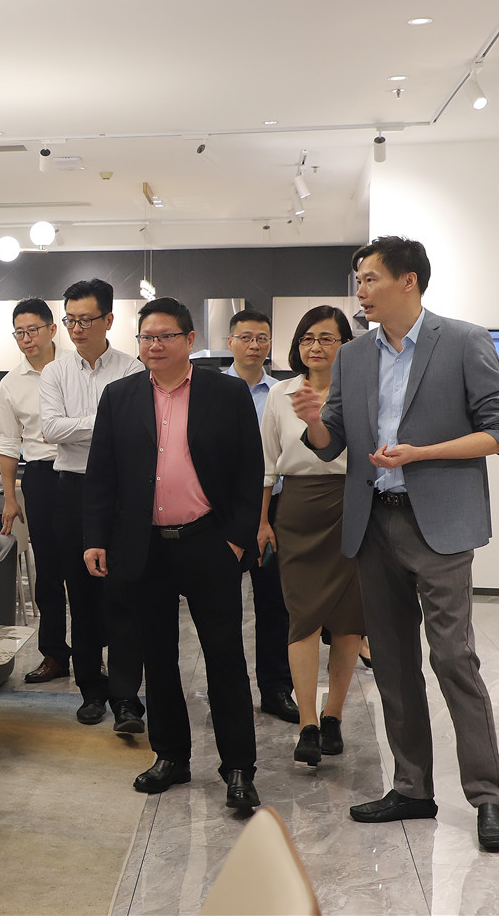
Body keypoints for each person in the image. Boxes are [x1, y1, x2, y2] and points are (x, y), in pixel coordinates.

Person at [293, 236, 499, 852]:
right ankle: (412, 787)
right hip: (374, 524)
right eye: (358, 280)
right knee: (393, 663)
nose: (360, 291)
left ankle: (489, 796)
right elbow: (332, 440)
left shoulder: (464, 341)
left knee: (453, 658)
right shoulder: (353, 356)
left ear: (408, 281)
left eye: (369, 279)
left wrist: (422, 454)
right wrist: (313, 418)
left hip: (440, 524)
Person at [83, 297, 263, 810]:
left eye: (165, 336)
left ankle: (238, 768)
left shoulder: (226, 393)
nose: (155, 345)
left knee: (224, 657)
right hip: (144, 547)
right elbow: (102, 474)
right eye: (147, 337)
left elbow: (250, 470)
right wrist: (96, 538)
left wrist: (235, 539)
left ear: (188, 340)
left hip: (208, 541)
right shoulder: (119, 396)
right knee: (158, 657)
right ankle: (171, 756)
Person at [259, 305, 365, 767]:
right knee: (302, 618)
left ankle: (333, 715)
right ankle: (307, 722)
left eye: (326, 338)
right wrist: (262, 520)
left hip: (352, 506)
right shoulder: (280, 393)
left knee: (348, 620)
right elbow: (266, 464)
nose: (315, 347)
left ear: (345, 345)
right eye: (307, 338)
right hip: (298, 511)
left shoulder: (359, 390)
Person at [38, 278, 143, 725]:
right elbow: (50, 430)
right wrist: (105, 421)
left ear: (109, 320)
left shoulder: (133, 369)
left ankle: (126, 697)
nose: (77, 329)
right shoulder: (55, 372)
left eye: (85, 320)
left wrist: (80, 425)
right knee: (79, 596)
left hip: (121, 493)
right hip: (72, 490)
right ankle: (90, 691)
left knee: (123, 595)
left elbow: (134, 433)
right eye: (70, 321)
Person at [223, 307, 298, 725]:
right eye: (246, 337)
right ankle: (229, 690)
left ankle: (276, 689)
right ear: (230, 341)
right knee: (223, 606)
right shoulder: (212, 391)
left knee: (275, 604)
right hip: (223, 513)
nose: (254, 345)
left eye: (262, 338)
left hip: (276, 510)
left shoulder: (283, 393)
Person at [0, 298, 68, 683]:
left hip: (82, 474)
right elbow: (9, 444)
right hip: (40, 478)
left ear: (52, 330)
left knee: (89, 571)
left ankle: (94, 654)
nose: (26, 339)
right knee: (49, 571)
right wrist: (10, 497)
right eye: (19, 333)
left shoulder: (76, 367)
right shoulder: (11, 382)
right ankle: (54, 655)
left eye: (33, 330)